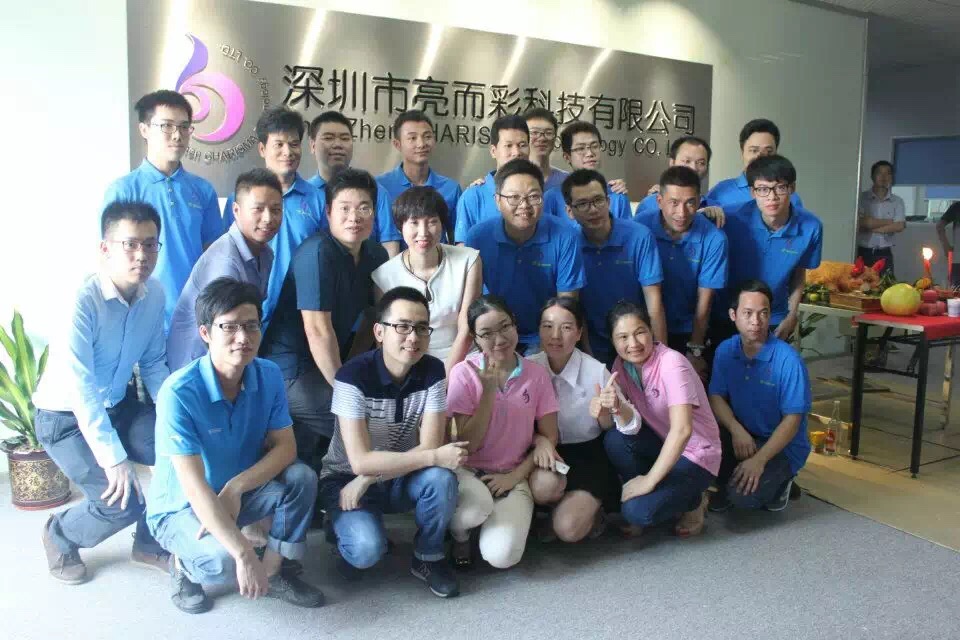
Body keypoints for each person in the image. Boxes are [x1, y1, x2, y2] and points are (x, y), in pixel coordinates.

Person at [147, 278, 324, 614]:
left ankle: (274, 572)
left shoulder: (268, 374)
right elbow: (194, 487)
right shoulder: (178, 393)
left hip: (238, 493)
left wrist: (236, 487)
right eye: (229, 327)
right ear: (205, 333)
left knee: (302, 477)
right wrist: (242, 552)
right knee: (224, 563)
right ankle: (182, 564)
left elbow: (286, 448)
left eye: (251, 325)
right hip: (182, 506)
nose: (243, 337)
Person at [35, 201, 170, 584]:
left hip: (117, 406)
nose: (141, 255)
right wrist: (113, 458)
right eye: (130, 244)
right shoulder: (81, 301)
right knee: (121, 503)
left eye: (150, 244)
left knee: (176, 449)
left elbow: (154, 364)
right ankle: (60, 534)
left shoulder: (154, 294)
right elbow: (81, 389)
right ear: (105, 248)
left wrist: (176, 418)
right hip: (64, 418)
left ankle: (149, 543)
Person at [317, 287, 466, 597]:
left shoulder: (433, 371)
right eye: (402, 326)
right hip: (345, 478)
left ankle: (427, 557)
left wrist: (368, 477)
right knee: (365, 550)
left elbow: (429, 445)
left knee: (441, 479)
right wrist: (364, 474)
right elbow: (360, 461)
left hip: (394, 475)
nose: (413, 337)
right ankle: (338, 527)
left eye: (421, 328)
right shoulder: (351, 377)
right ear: (379, 332)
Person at [261, 169, 388, 488]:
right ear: (328, 212)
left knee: (379, 407)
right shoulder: (317, 253)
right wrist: (346, 391)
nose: (354, 217)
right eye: (344, 208)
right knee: (352, 420)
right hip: (288, 370)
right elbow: (318, 331)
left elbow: (373, 318)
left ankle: (329, 489)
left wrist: (356, 371)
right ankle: (341, 497)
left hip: (329, 363)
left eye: (364, 208)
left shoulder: (375, 254)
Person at [446, 296, 561, 568]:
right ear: (475, 338)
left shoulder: (536, 374)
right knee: (473, 511)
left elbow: (550, 435)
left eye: (504, 327)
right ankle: (460, 536)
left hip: (512, 474)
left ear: (515, 324)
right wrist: (487, 392)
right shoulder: (464, 373)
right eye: (487, 334)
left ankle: (497, 522)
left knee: (502, 556)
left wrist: (513, 477)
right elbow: (468, 444)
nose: (499, 339)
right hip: (469, 471)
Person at [601, 302, 721, 538]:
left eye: (640, 332)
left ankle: (695, 500)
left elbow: (683, 430)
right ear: (613, 341)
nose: (633, 344)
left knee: (637, 512)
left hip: (696, 454)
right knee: (615, 439)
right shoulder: (620, 367)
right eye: (623, 337)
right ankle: (654, 495)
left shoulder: (672, 363)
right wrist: (606, 408)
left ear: (651, 331)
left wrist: (649, 481)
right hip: (662, 443)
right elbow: (620, 424)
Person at [104, 90, 222, 327]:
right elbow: (108, 261)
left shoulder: (203, 190)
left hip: (193, 317)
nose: (177, 135)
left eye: (184, 127)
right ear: (144, 129)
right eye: (167, 126)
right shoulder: (123, 191)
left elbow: (214, 256)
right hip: (138, 318)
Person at [708, 280, 812, 513]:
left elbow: (793, 421)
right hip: (744, 435)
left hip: (781, 446)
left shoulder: (788, 360)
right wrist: (736, 429)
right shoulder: (725, 350)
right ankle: (739, 478)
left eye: (763, 313)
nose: (755, 321)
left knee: (742, 499)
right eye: (747, 313)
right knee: (701, 449)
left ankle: (783, 481)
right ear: (733, 315)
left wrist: (759, 460)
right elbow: (716, 396)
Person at [463, 159, 585, 354]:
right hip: (494, 332)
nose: (524, 205)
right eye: (514, 197)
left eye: (534, 196)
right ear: (497, 201)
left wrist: (544, 355)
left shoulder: (565, 236)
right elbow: (471, 300)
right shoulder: (478, 237)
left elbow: (566, 305)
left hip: (544, 334)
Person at [167, 169, 282, 370]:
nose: (268, 218)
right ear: (236, 211)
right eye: (258, 209)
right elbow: (223, 333)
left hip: (230, 353)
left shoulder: (266, 254)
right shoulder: (225, 261)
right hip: (198, 365)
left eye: (276, 210)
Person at [526, 298, 620, 542]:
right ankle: (556, 508)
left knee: (568, 529)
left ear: (579, 333)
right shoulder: (529, 368)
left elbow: (612, 428)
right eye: (548, 326)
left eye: (566, 327)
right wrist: (539, 440)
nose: (555, 336)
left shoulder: (596, 371)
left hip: (589, 455)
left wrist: (604, 413)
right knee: (542, 487)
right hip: (549, 454)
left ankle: (591, 512)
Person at [221, 107, 325, 326]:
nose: (288, 152)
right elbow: (226, 255)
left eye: (294, 144)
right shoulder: (238, 200)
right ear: (262, 148)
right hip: (246, 312)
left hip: (300, 316)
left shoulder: (318, 199)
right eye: (279, 144)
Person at [372, 187, 482, 373]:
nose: (423, 233)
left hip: (464, 359)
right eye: (414, 223)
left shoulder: (469, 260)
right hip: (410, 362)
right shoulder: (384, 276)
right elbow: (387, 340)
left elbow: (467, 329)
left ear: (442, 225)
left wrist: (445, 378)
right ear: (400, 227)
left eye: (432, 222)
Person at [562, 168, 666, 364]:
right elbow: (573, 307)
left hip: (636, 341)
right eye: (582, 204)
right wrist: (588, 358)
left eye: (598, 200)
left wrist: (661, 358)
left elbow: (654, 302)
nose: (593, 209)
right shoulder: (568, 243)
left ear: (608, 201)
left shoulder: (639, 236)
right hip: (591, 342)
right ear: (570, 211)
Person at [633, 166, 727, 376]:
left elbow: (705, 301)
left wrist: (695, 349)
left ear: (699, 201)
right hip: (642, 327)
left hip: (688, 330)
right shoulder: (640, 227)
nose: (681, 213)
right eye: (673, 203)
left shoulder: (714, 238)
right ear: (659, 201)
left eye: (690, 203)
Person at [721, 155, 823, 341]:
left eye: (780, 188)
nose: (772, 197)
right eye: (763, 189)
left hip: (773, 316)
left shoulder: (811, 227)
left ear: (792, 188)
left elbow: (799, 273)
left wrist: (791, 315)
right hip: (728, 313)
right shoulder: (730, 218)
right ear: (752, 192)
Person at [307, 111, 395, 254]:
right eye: (328, 138)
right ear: (312, 145)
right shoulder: (304, 194)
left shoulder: (376, 191)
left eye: (344, 138)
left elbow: (390, 246)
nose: (338, 144)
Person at [377, 109, 462, 244]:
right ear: (397, 144)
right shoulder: (380, 187)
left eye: (427, 136)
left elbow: (457, 238)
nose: (421, 144)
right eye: (412, 138)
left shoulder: (451, 188)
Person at [454, 114, 530, 240]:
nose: (517, 152)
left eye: (522, 145)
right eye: (508, 145)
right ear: (493, 151)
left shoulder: (537, 195)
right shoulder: (473, 196)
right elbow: (462, 246)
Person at [705, 119, 805, 211]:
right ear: (742, 152)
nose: (760, 157)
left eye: (768, 151)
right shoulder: (720, 193)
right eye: (754, 150)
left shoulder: (790, 196)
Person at [544, 121, 633, 223]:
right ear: (567, 157)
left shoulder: (617, 196)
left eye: (594, 146)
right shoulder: (552, 198)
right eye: (581, 148)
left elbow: (627, 231)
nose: (590, 153)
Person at [634, 135, 718, 219]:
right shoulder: (650, 203)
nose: (693, 168)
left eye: (701, 163)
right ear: (672, 163)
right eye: (687, 161)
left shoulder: (715, 209)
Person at [857, 160, 905, 276]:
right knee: (859, 284)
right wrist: (889, 222)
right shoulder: (861, 198)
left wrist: (871, 226)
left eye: (888, 173)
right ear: (872, 176)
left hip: (885, 254)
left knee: (886, 285)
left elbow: (899, 226)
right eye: (879, 173)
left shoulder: (897, 201)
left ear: (891, 177)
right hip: (863, 252)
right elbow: (863, 223)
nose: (884, 177)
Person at [523, 107, 569, 192]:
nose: (542, 138)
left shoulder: (567, 181)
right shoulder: (510, 179)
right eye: (534, 132)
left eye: (548, 133)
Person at [936, 200, 960, 288]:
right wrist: (947, 248)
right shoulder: (957, 207)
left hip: (957, 260)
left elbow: (939, 226)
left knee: (955, 291)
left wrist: (947, 247)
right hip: (957, 261)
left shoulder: (957, 206)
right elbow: (939, 226)